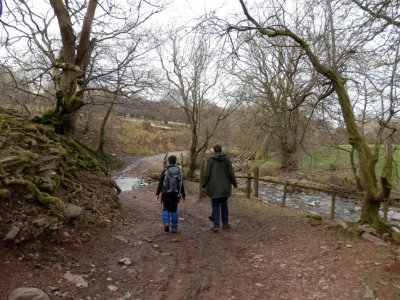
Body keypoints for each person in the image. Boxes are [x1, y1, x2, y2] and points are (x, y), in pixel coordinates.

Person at [202, 144, 237, 232]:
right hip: (225, 187)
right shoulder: (227, 160)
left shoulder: (210, 160)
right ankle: (225, 224)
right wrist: (234, 184)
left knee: (215, 206)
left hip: (214, 187)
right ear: (221, 150)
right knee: (224, 205)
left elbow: (207, 174)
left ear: (214, 151)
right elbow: (231, 173)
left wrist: (203, 184)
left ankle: (216, 225)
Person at [156, 155, 186, 233]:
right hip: (175, 195)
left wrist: (157, 193)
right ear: (175, 161)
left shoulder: (165, 170)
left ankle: (166, 223)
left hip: (165, 194)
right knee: (174, 210)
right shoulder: (179, 171)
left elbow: (160, 183)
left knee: (166, 208)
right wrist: (183, 195)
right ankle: (174, 227)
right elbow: (181, 184)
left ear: (168, 161)